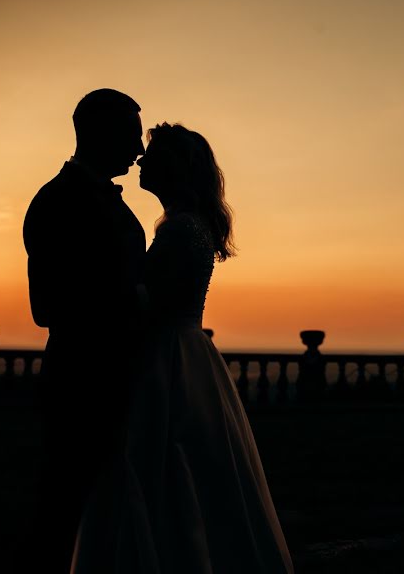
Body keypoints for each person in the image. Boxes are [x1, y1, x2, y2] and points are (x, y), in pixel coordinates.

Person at [70, 123, 294, 573]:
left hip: (166, 357)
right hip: (181, 353)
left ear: (173, 167)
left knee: (162, 461)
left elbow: (152, 303)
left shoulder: (181, 230)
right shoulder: (182, 224)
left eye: (150, 155)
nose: (139, 160)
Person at [22, 89, 147, 573]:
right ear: (101, 133)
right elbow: (47, 305)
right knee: (63, 510)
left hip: (116, 378)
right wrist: (137, 303)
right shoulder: (58, 201)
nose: (139, 150)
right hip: (82, 381)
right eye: (132, 135)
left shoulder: (98, 200)